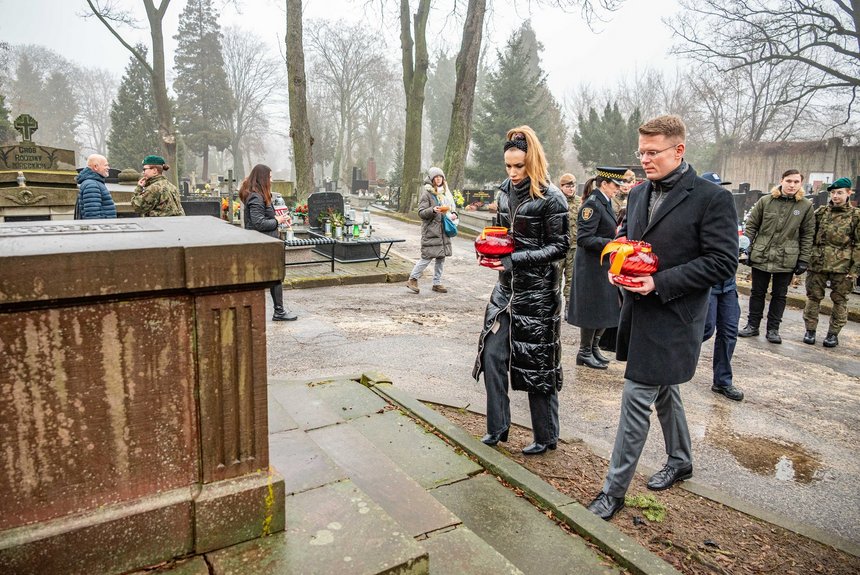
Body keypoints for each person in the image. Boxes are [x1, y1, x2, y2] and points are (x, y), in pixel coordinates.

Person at [587, 115, 738, 520]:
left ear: (679, 150)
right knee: (665, 390)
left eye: (653, 152)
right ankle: (681, 459)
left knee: (637, 396)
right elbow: (633, 240)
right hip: (637, 310)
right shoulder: (638, 194)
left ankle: (613, 492)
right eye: (641, 152)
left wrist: (659, 282)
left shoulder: (712, 198)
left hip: (675, 316)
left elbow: (723, 262)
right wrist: (620, 261)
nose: (645, 160)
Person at [472, 125, 569, 456]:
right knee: (491, 355)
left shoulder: (551, 198)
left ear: (533, 162)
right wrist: (488, 247)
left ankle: (546, 436)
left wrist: (515, 260)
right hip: (505, 291)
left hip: (538, 295)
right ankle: (497, 427)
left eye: (519, 166)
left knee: (537, 365)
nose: (512, 173)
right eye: (508, 166)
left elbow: (560, 246)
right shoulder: (503, 193)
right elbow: (502, 234)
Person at [738, 169, 814, 343]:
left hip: (786, 257)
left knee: (780, 295)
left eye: (796, 182)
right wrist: (746, 249)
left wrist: (804, 259)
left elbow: (807, 234)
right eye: (789, 181)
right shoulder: (766, 201)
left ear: (800, 184)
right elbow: (752, 226)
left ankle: (773, 329)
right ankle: (752, 325)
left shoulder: (805, 206)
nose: (792, 185)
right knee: (757, 292)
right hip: (762, 254)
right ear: (781, 181)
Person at [566, 167, 625, 370]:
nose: (618, 189)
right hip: (591, 267)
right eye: (615, 185)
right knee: (593, 310)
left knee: (605, 308)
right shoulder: (592, 204)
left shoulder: (605, 202)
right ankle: (584, 352)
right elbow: (584, 238)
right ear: (604, 184)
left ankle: (593, 348)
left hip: (602, 265)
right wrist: (612, 243)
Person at [700, 172, 744, 402]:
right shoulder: (698, 213)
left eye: (721, 186)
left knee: (728, 332)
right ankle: (672, 365)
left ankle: (722, 381)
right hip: (707, 284)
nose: (720, 190)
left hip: (728, 285)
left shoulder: (727, 211)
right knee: (704, 329)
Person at [801, 177, 860, 347]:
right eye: (833, 193)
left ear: (849, 193)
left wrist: (855, 269)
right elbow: (809, 235)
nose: (835, 196)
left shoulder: (856, 216)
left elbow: (858, 244)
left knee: (840, 300)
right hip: (818, 263)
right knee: (813, 298)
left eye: (839, 193)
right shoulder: (821, 212)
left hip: (843, 266)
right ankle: (810, 330)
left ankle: (833, 334)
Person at [240, 164, 297, 322]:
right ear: (262, 178)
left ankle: (276, 311)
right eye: (270, 177)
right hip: (262, 243)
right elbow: (259, 223)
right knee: (274, 276)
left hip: (266, 242)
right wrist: (277, 220)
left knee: (273, 277)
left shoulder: (259, 195)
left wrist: (280, 218)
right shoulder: (255, 197)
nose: (271, 180)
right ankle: (278, 312)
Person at [406, 166, 458, 294]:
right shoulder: (427, 194)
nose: (439, 179)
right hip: (431, 232)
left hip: (443, 232)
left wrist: (453, 214)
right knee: (426, 257)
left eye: (441, 177)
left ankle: (437, 283)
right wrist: (433, 210)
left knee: (441, 258)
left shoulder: (444, 193)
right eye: (436, 177)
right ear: (431, 179)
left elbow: (451, 208)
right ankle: (412, 279)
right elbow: (421, 213)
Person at [558, 172, 580, 308]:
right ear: (561, 187)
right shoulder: (556, 201)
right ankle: (555, 307)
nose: (571, 189)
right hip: (559, 248)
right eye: (567, 186)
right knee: (556, 278)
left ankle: (568, 308)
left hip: (574, 247)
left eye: (572, 186)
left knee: (571, 279)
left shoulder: (580, 202)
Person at [75, 154, 116, 219]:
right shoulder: (92, 185)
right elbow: (93, 215)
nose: (108, 168)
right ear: (96, 167)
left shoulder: (94, 183)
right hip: (103, 225)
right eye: (106, 165)